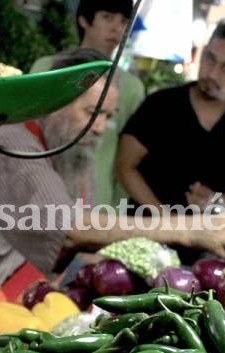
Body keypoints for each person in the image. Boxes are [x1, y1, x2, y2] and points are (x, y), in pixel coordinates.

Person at [0, 49, 225, 304]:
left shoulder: (69, 150)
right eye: (92, 112)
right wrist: (188, 229)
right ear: (56, 101)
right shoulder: (15, 143)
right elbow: (68, 228)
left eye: (108, 116)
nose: (100, 128)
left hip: (4, 302)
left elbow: (88, 237)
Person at [116, 23, 225, 213]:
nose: (212, 73)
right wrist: (163, 218)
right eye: (210, 59)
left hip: (207, 236)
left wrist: (215, 202)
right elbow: (125, 166)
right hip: (146, 228)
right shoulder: (161, 104)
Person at [29, 0, 145, 208]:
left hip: (98, 207)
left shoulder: (131, 89)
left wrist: (115, 217)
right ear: (84, 19)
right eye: (107, 17)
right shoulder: (47, 68)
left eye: (123, 21)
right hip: (38, 198)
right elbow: (27, 132)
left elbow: (125, 161)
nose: (116, 28)